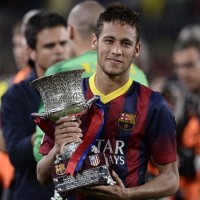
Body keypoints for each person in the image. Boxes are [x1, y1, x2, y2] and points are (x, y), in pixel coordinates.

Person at [36, 3, 179, 200]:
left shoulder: (154, 105)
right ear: (95, 42)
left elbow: (171, 178)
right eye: (109, 41)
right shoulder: (68, 95)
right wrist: (56, 148)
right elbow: (42, 176)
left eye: (126, 43)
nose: (116, 50)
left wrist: (127, 195)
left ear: (137, 49)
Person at [33, 0, 149, 163]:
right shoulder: (139, 75)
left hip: (76, 178)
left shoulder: (60, 71)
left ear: (70, 31)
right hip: (124, 176)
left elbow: (41, 150)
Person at [0, 11, 72, 200]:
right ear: (31, 51)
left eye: (63, 43)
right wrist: (44, 134)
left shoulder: (85, 85)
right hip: (35, 194)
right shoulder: (14, 96)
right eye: (50, 46)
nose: (59, 50)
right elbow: (16, 155)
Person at [170, 36, 200, 200]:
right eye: (179, 67)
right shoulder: (182, 100)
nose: (183, 72)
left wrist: (194, 161)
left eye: (189, 65)